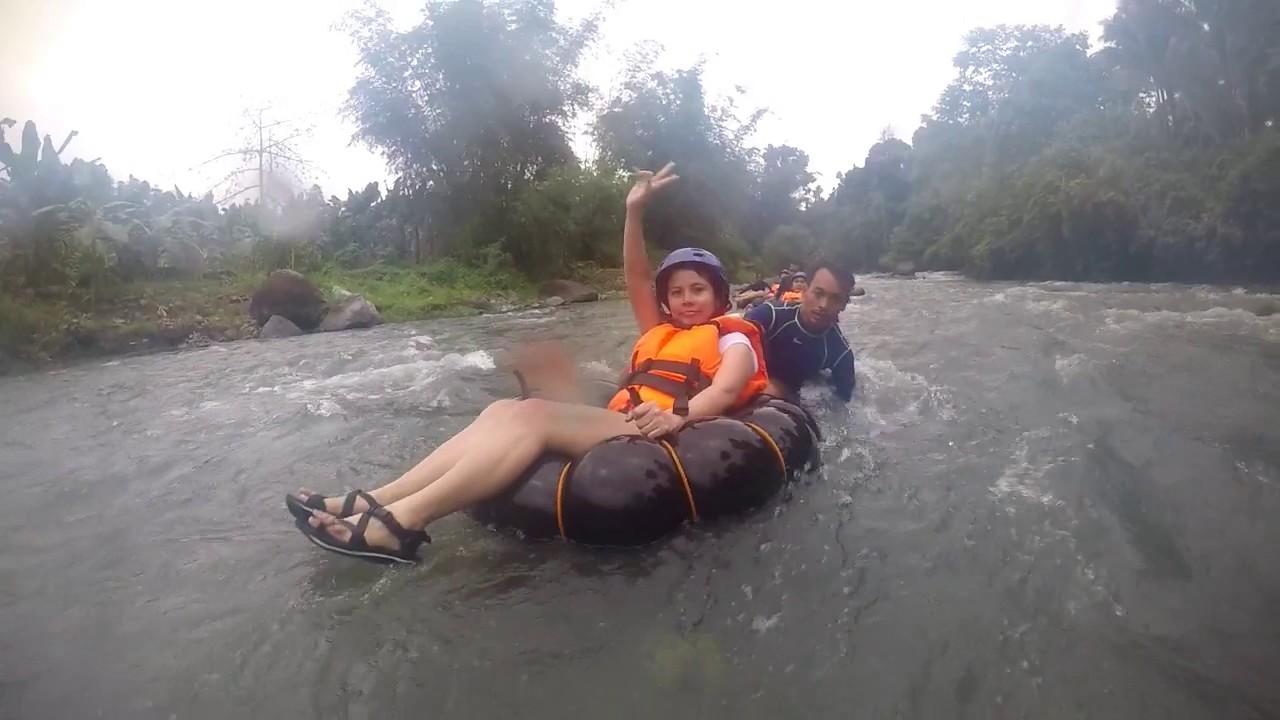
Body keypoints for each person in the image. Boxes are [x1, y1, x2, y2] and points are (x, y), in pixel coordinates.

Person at [285, 162, 770, 564]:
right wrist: (633, 211)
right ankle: (377, 499)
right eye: (677, 292)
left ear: (721, 296)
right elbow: (636, 275)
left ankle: (402, 525)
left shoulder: (732, 340)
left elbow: (726, 393)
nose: (686, 300)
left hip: (668, 433)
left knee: (534, 415)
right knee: (501, 410)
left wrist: (674, 415)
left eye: (698, 290)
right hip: (629, 419)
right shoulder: (659, 332)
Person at [745, 261, 857, 402]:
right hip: (754, 382)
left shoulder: (840, 354)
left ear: (844, 305)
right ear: (804, 291)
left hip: (792, 402)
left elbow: (842, 406)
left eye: (835, 299)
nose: (824, 305)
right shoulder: (769, 316)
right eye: (818, 293)